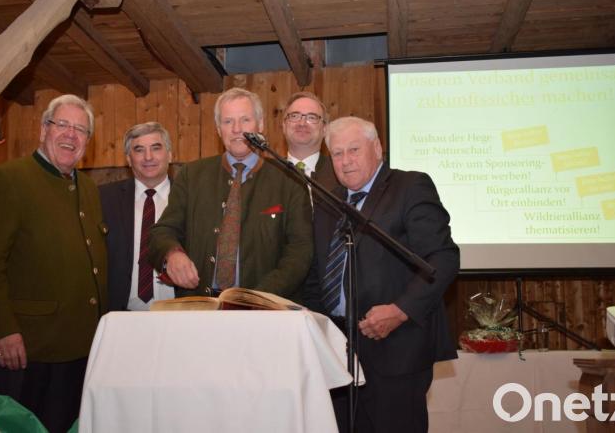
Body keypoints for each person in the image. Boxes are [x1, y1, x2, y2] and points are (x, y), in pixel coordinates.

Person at [303, 116, 460, 433]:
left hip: (396, 348)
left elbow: (443, 258)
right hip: (337, 351)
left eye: (354, 150)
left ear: (377, 148)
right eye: (337, 154)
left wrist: (400, 310)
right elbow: (316, 273)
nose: (346, 162)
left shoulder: (409, 187)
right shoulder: (327, 202)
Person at [0, 94, 107, 432]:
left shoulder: (88, 188)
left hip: (75, 350)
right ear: (44, 129)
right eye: (62, 125)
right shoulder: (11, 179)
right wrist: (3, 329)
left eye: (80, 130)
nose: (71, 135)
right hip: (23, 348)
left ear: (87, 142)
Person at [148, 87, 313, 301]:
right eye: (228, 122)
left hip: (264, 311)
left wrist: (258, 297)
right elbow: (162, 232)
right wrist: (172, 254)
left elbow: (300, 252)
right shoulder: (192, 175)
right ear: (218, 129)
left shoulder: (289, 180)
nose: (237, 129)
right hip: (199, 306)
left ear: (260, 124)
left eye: (245, 120)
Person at [100, 122, 175, 311]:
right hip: (120, 315)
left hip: (178, 314)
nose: (148, 157)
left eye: (156, 148)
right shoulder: (103, 199)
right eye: (139, 150)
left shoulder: (191, 199)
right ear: (128, 158)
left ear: (170, 155)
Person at [281, 91, 339, 193]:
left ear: (325, 129)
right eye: (294, 116)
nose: (302, 123)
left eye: (312, 117)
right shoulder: (266, 174)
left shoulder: (340, 171)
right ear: (284, 126)